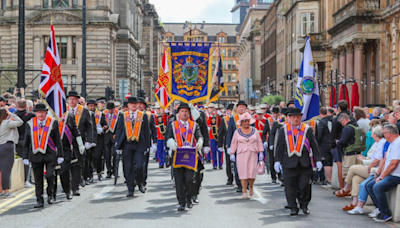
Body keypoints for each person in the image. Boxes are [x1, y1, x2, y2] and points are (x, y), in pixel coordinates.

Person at [275, 108, 322, 215]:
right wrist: (277, 160)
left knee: (305, 186)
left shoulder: (307, 129)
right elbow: (280, 146)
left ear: (301, 117)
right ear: (290, 118)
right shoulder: (284, 129)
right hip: (288, 162)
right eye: (294, 117)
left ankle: (304, 205)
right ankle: (293, 207)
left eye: (298, 117)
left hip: (304, 163)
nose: (296, 119)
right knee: (290, 187)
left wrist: (318, 160)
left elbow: (314, 146)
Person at [22, 103, 64, 208]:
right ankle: (39, 200)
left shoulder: (52, 122)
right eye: (38, 112)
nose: (40, 114)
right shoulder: (30, 123)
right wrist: (25, 156)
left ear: (46, 113)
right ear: (35, 113)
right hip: (36, 154)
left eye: (42, 112)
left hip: (50, 154)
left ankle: (50, 195)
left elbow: (57, 140)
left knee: (50, 175)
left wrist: (60, 155)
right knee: (38, 179)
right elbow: (26, 142)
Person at [165, 103, 204, 211]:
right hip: (177, 156)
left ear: (189, 113)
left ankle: (189, 198)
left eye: (186, 111)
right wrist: (170, 142)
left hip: (190, 156)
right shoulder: (173, 124)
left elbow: (199, 135)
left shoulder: (194, 125)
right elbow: (167, 137)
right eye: (182, 111)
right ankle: (181, 202)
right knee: (179, 180)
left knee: (190, 179)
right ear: (179, 113)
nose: (184, 113)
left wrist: (200, 141)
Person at [344, 125, 385, 214]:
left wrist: (365, 162)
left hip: (374, 169)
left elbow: (377, 160)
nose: (371, 134)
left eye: (372, 132)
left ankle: (346, 189)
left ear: (375, 134)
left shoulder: (381, 143)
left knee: (352, 168)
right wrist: (365, 159)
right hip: (371, 166)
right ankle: (357, 205)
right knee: (356, 179)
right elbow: (373, 158)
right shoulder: (377, 143)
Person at [115, 96, 150, 197]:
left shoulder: (142, 115)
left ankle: (140, 183)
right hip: (127, 144)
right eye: (131, 104)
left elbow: (147, 131)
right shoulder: (123, 115)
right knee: (128, 167)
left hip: (139, 144)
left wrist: (148, 145)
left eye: (135, 103)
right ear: (128, 105)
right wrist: (117, 144)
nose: (134, 105)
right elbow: (119, 130)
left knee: (139, 166)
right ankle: (130, 188)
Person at [366, 124, 400, 222]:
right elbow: (385, 160)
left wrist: (382, 177)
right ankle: (380, 209)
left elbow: (393, 164)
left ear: (389, 134)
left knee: (377, 187)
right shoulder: (392, 143)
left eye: (384, 133)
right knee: (370, 185)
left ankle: (386, 213)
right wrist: (380, 175)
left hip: (396, 175)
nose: (383, 135)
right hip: (390, 174)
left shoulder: (398, 143)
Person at [229, 113, 264, 199]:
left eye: (248, 121)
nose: (246, 123)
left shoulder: (255, 130)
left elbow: (259, 141)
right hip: (241, 154)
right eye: (244, 121)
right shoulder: (237, 132)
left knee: (252, 172)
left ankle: (251, 186)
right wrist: (232, 153)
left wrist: (261, 152)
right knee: (243, 173)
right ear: (241, 123)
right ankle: (244, 191)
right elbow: (233, 143)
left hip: (253, 152)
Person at [67, 91, 94, 196]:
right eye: (70, 99)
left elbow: (90, 127)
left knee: (77, 165)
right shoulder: (63, 110)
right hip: (66, 142)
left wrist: (89, 141)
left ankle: (75, 187)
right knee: (66, 165)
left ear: (78, 100)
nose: (72, 101)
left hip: (79, 142)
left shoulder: (84, 111)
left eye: (74, 99)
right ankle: (68, 185)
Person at [56, 105, 85, 200]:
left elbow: (75, 130)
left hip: (66, 148)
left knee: (65, 170)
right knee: (52, 172)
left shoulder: (70, 116)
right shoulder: (50, 117)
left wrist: (80, 144)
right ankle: (51, 193)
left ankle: (69, 190)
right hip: (53, 148)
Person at [335, 113, 365, 188]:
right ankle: (354, 190)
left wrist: (337, 142)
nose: (342, 124)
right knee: (356, 173)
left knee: (348, 173)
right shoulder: (356, 125)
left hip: (349, 153)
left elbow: (342, 141)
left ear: (343, 120)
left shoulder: (347, 128)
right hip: (357, 152)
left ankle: (348, 190)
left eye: (341, 122)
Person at [331, 100, 355, 189]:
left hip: (339, 144)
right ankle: (349, 188)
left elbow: (333, 134)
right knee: (349, 167)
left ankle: (342, 188)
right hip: (351, 145)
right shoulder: (352, 118)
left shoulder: (336, 119)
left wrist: (333, 144)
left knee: (340, 165)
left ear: (339, 108)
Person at [0, 107, 23, 197]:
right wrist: (10, 113)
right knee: (6, 170)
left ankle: (1, 191)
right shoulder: (6, 122)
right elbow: (20, 122)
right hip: (7, 147)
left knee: (0, 171)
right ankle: (7, 191)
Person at [226, 100, 249, 192]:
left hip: (248, 146)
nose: (242, 108)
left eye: (243, 107)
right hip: (237, 146)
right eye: (240, 107)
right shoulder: (233, 118)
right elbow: (229, 133)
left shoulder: (250, 118)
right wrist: (229, 146)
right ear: (237, 108)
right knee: (237, 166)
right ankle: (239, 184)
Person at [15, 98, 35, 188]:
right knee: (26, 160)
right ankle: (27, 180)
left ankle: (21, 179)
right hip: (27, 140)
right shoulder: (31, 115)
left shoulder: (14, 115)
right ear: (26, 106)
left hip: (16, 139)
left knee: (19, 159)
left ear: (17, 105)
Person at [137, 97, 157, 187]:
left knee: (144, 164)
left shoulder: (149, 115)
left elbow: (153, 129)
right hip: (133, 142)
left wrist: (154, 143)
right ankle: (134, 179)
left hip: (145, 143)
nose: (139, 105)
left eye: (141, 104)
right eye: (138, 104)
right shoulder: (128, 115)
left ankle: (143, 181)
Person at [88, 99, 108, 182]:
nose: (92, 107)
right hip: (89, 138)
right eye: (90, 106)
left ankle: (99, 172)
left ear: (96, 106)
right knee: (89, 158)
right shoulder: (85, 114)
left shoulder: (100, 114)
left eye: (93, 106)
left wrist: (102, 129)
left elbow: (106, 125)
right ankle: (90, 175)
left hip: (98, 138)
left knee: (97, 156)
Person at [218, 103, 234, 185]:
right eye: (230, 110)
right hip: (228, 143)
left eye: (233, 109)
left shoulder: (237, 118)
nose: (231, 111)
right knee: (228, 162)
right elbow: (221, 132)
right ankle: (230, 178)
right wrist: (220, 145)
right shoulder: (224, 119)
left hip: (238, 143)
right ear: (227, 110)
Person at [316, 107, 333, 186]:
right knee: (331, 162)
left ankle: (329, 180)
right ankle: (332, 179)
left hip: (324, 144)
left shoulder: (322, 122)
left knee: (326, 162)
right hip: (332, 144)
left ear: (320, 113)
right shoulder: (331, 120)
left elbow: (319, 134)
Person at [103, 101, 119, 179]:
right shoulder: (104, 114)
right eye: (108, 109)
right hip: (106, 137)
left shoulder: (118, 114)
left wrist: (116, 134)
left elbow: (119, 125)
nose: (110, 111)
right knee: (107, 155)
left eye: (111, 109)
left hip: (114, 137)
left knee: (115, 154)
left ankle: (115, 171)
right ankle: (109, 171)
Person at [207, 103, 222, 169]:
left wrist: (221, 116)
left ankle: (220, 164)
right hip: (212, 135)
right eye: (216, 109)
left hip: (220, 135)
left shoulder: (222, 116)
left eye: (218, 109)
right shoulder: (211, 116)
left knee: (220, 150)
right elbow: (208, 123)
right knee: (213, 151)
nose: (217, 111)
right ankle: (214, 164)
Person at [154, 103, 168, 168]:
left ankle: (166, 160)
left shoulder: (167, 116)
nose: (160, 110)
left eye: (161, 108)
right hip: (159, 135)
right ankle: (161, 162)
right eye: (158, 108)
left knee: (165, 149)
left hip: (166, 135)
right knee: (159, 150)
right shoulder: (156, 116)